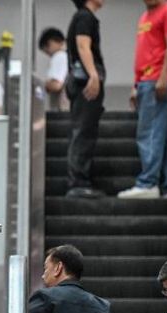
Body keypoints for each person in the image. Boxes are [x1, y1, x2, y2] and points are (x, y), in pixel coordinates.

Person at [118, 0, 167, 200]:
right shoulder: (145, 17)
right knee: (162, 135)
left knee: (149, 132)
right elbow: (144, 52)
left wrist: (163, 77)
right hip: (147, 80)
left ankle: (148, 182)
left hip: (158, 80)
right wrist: (136, 84)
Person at [64, 0, 106, 199]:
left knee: (85, 130)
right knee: (83, 131)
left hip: (80, 80)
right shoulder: (84, 16)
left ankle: (81, 180)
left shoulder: (83, 16)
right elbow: (83, 45)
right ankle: (78, 182)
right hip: (85, 82)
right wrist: (93, 75)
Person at [38, 27, 70, 112]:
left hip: (63, 112)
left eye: (46, 51)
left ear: (50, 43)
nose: (49, 54)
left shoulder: (59, 56)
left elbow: (56, 85)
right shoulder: (69, 57)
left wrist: (40, 85)